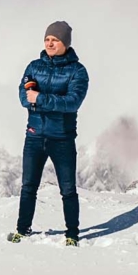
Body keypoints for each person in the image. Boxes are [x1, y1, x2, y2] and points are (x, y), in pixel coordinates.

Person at [8, 21, 89, 246]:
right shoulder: (34, 66)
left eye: (55, 39)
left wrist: (40, 99)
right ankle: (22, 230)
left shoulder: (78, 71)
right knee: (28, 187)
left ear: (65, 43)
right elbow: (24, 96)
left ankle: (72, 234)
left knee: (68, 189)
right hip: (34, 136)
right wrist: (38, 100)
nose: (50, 43)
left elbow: (73, 102)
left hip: (62, 138)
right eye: (47, 39)